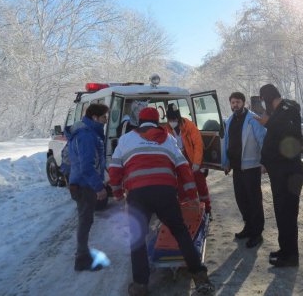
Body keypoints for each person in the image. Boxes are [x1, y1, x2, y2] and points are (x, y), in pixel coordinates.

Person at [108, 107, 214, 296]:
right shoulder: (168, 139)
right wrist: (190, 193)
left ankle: (140, 285)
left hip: (137, 194)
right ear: (158, 122)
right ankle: (199, 276)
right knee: (180, 232)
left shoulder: (126, 139)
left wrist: (117, 193)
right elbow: (183, 168)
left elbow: (115, 169)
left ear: (140, 121)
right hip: (165, 192)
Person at [258, 84, 303, 267]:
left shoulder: (288, 109)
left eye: (263, 99)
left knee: (287, 215)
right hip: (280, 173)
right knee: (282, 214)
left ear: (268, 97)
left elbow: (291, 140)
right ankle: (285, 250)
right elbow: (275, 140)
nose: (263, 104)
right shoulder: (278, 112)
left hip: (289, 174)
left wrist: (268, 123)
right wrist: (265, 161)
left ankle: (291, 256)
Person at [66, 103, 109, 271]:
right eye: (104, 117)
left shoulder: (87, 133)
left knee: (86, 219)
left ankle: (83, 253)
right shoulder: (86, 136)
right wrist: (99, 187)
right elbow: (86, 166)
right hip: (84, 186)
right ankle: (81, 258)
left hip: (81, 183)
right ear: (95, 117)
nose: (106, 121)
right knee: (85, 220)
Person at [221, 92, 266, 249]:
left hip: (251, 167)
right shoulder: (230, 120)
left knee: (254, 201)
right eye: (233, 102)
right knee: (241, 199)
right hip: (237, 167)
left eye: (237, 102)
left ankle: (257, 233)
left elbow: (263, 140)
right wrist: (226, 162)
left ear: (243, 103)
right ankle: (248, 227)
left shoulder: (253, 119)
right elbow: (226, 142)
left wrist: (264, 162)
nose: (235, 105)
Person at [165, 103, 212, 216]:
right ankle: (187, 212)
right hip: (178, 161)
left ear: (179, 117)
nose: (172, 122)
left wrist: (196, 163)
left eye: (174, 119)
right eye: (170, 119)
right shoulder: (166, 129)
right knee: (182, 188)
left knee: (201, 186)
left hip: (191, 158)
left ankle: (207, 211)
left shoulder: (189, 125)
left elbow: (198, 144)